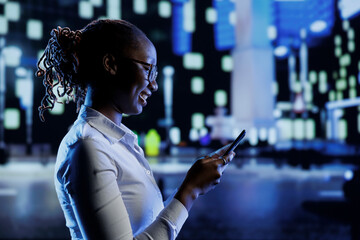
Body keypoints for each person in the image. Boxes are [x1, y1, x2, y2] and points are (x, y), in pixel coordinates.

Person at [37, 19, 235, 240]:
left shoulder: (114, 141)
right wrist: (190, 190)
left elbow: (148, 224)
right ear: (110, 64)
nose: (154, 84)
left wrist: (193, 183)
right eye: (147, 69)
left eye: (156, 74)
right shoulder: (89, 147)